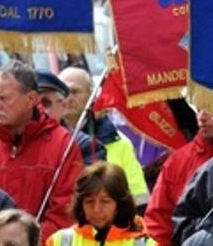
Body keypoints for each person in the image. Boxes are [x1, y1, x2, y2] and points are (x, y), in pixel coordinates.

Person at [0, 60, 84, 240]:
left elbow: (66, 209)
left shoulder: (63, 143)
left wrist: (31, 242)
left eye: (4, 98)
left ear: (31, 99)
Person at [144, 110, 213, 246]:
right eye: (198, 109)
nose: (201, 117)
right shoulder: (178, 161)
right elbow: (158, 220)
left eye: (209, 108)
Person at [58, 67, 148, 208]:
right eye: (62, 92)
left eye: (74, 91)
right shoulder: (44, 142)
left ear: (91, 96)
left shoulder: (120, 143)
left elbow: (138, 197)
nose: (68, 97)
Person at [45, 162, 152, 246]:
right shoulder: (58, 242)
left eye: (105, 202)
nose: (96, 209)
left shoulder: (145, 244)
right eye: (89, 201)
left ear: (120, 203)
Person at [37, 70, 101, 165]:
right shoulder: (13, 145)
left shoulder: (84, 146)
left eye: (46, 103)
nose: (39, 109)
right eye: (31, 103)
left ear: (62, 105)